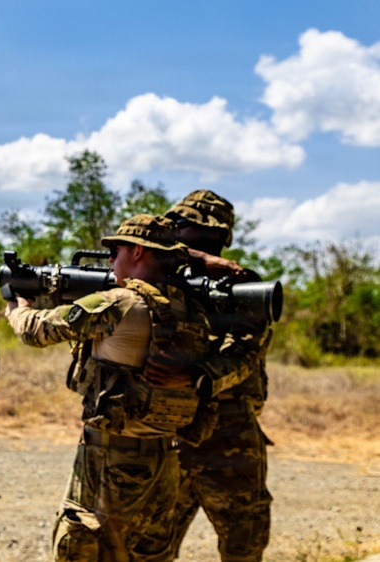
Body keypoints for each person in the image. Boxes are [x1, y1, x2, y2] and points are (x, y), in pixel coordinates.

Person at [5, 215, 211, 561]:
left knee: (83, 547)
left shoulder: (119, 303)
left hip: (111, 458)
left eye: (116, 250)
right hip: (165, 460)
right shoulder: (189, 311)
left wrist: (17, 307)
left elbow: (37, 331)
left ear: (138, 252)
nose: (112, 260)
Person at [163, 190, 273, 561]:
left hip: (231, 437)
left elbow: (245, 351)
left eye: (188, 226)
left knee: (243, 545)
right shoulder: (162, 277)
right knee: (149, 546)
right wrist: (194, 258)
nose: (179, 231)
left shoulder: (244, 284)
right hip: (171, 430)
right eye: (179, 226)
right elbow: (135, 241)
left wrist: (196, 376)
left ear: (219, 235)